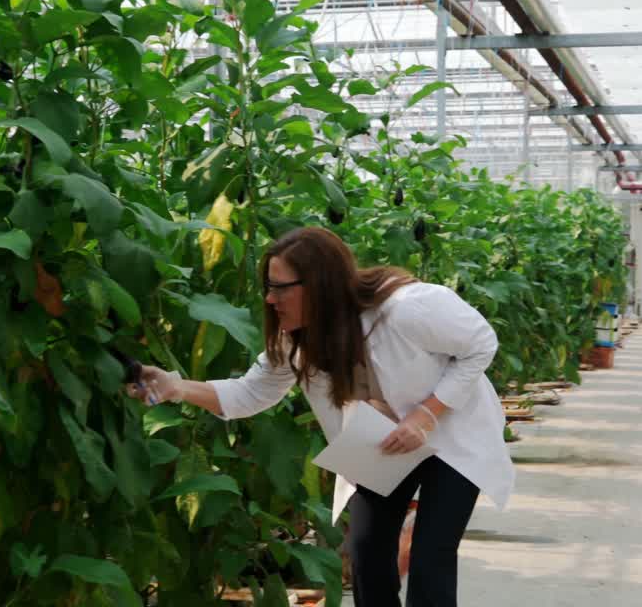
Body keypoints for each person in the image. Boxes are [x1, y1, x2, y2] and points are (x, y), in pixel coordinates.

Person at [129, 227, 513, 607]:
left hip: (453, 435)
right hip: (385, 442)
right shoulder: (299, 339)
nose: (269, 298)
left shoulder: (408, 308)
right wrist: (175, 387)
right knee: (366, 552)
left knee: (431, 557)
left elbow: (481, 344)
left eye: (280, 287)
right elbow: (250, 392)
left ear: (320, 285)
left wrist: (427, 414)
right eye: (268, 286)